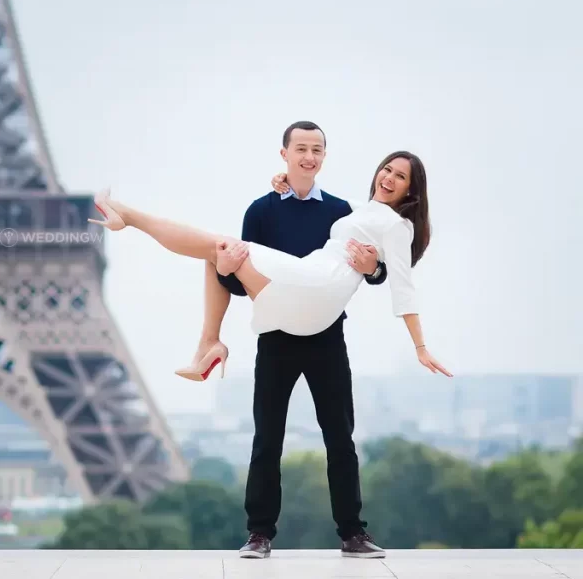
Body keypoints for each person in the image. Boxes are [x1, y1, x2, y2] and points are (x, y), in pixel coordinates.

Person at [88, 121, 451, 559]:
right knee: (267, 435)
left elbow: (388, 277)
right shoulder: (270, 209)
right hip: (282, 318)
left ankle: (351, 531)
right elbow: (239, 284)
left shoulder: (343, 210)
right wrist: (231, 265)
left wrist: (412, 332)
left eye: (317, 149)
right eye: (301, 148)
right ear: (284, 154)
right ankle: (260, 533)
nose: (389, 178)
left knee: (339, 438)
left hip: (322, 322)